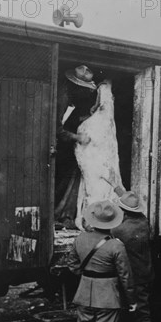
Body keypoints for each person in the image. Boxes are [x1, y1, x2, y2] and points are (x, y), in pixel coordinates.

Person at [60, 200, 136, 322]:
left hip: (85, 293)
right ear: (111, 223)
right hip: (108, 297)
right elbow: (125, 277)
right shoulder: (116, 246)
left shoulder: (81, 239)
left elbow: (72, 264)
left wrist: (87, 277)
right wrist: (132, 300)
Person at [111, 188, 156, 322]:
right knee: (143, 311)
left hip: (133, 278)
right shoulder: (144, 222)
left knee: (142, 315)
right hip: (146, 273)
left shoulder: (119, 230)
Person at [54, 65, 98, 228]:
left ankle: (63, 212)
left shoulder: (70, 98)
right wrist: (77, 137)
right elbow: (56, 129)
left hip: (64, 146)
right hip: (58, 147)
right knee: (63, 178)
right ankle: (59, 213)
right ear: (75, 85)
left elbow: (68, 119)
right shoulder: (62, 98)